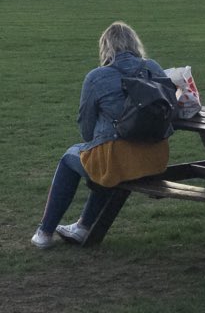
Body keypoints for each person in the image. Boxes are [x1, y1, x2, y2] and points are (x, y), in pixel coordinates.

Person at [32, 22, 172, 248]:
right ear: (135, 44)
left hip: (117, 161)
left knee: (74, 157)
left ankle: (45, 232)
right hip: (156, 159)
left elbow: (87, 131)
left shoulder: (97, 77)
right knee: (103, 159)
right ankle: (83, 227)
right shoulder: (153, 68)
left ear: (106, 47)